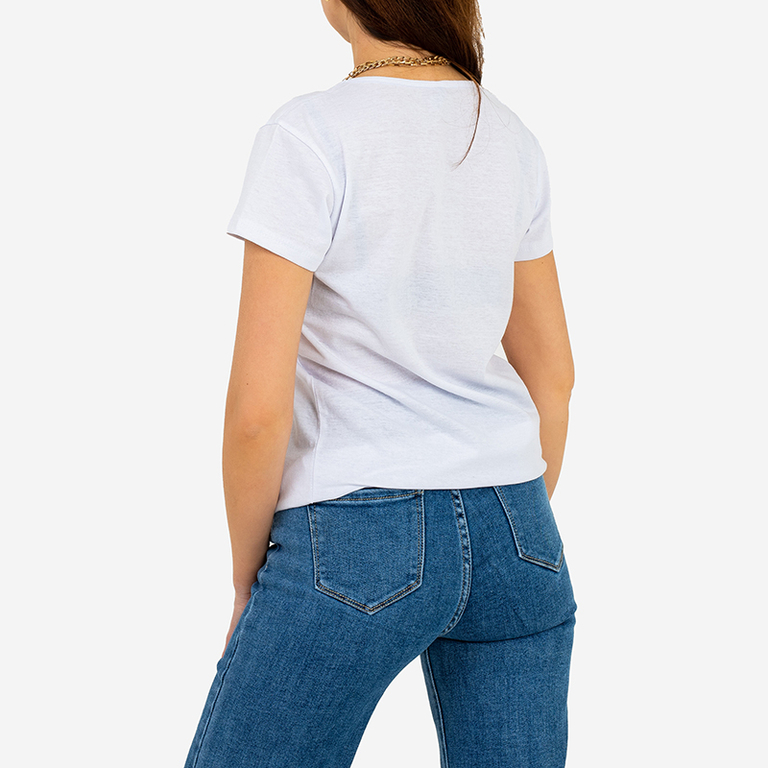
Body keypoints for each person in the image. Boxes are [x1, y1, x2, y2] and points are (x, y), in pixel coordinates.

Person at [183, 0, 578, 766]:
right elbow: (554, 376)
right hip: (519, 528)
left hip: (355, 535)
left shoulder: (310, 134)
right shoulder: (506, 134)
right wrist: (506, 526)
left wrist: (246, 579)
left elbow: (257, 414)